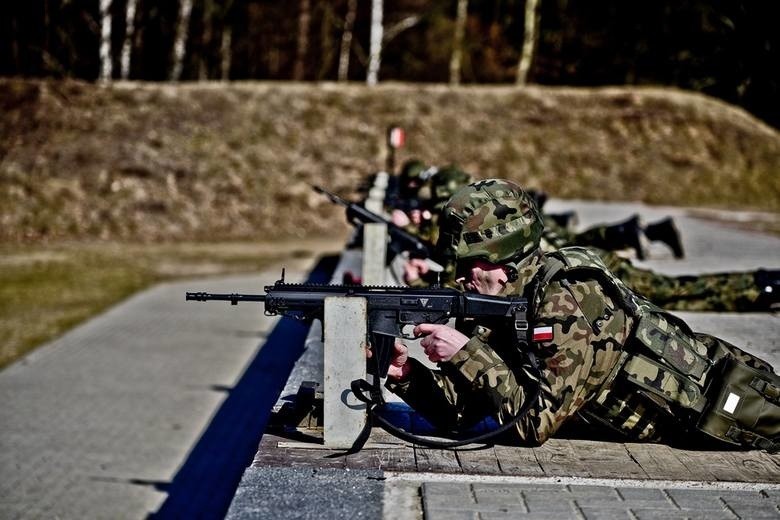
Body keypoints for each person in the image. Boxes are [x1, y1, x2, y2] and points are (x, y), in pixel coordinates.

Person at [385, 179, 778, 450]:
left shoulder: (567, 300)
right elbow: (465, 413)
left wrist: (467, 352)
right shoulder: (497, 297)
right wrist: (403, 374)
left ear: (502, 259)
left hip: (736, 416)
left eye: (467, 265)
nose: (458, 278)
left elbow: (531, 424)